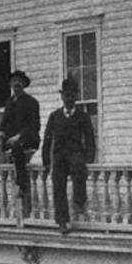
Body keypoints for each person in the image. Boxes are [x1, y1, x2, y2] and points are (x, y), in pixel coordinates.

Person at [41, 77, 95, 234]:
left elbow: (90, 139)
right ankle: (62, 221)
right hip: (59, 156)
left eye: (72, 95)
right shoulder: (54, 116)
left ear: (76, 97)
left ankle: (79, 201)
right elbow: (47, 140)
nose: (69, 98)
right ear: (62, 97)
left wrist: (89, 160)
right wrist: (46, 162)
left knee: (79, 168)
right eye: (66, 95)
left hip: (76, 153)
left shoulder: (83, 116)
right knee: (58, 185)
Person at [0, 70, 40, 217]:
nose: (17, 84)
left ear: (24, 84)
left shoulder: (31, 102)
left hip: (28, 139)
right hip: (13, 142)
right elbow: (3, 124)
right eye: (14, 81)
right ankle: (17, 208)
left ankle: (22, 184)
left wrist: (18, 136)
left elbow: (34, 125)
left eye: (20, 81)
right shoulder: (9, 102)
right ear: (10, 84)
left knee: (17, 149)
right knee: (12, 150)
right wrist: (1, 132)